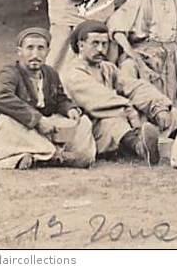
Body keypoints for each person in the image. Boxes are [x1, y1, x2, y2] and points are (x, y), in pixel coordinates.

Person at [0, 28, 95, 169]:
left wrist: (70, 109)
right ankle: (57, 157)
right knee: (8, 123)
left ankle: (40, 156)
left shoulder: (50, 73)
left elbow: (60, 99)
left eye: (41, 48)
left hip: (42, 128)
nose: (35, 54)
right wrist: (37, 120)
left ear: (48, 51)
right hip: (17, 128)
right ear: (19, 51)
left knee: (83, 122)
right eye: (29, 48)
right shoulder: (10, 72)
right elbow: (0, 97)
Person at [60, 21, 168, 163]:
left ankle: (169, 141)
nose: (101, 49)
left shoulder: (107, 67)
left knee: (158, 112)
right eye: (95, 43)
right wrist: (130, 111)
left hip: (115, 118)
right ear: (81, 45)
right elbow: (100, 100)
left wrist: (157, 106)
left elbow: (132, 86)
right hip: (89, 127)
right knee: (115, 123)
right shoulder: (74, 72)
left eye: (104, 44)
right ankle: (140, 148)